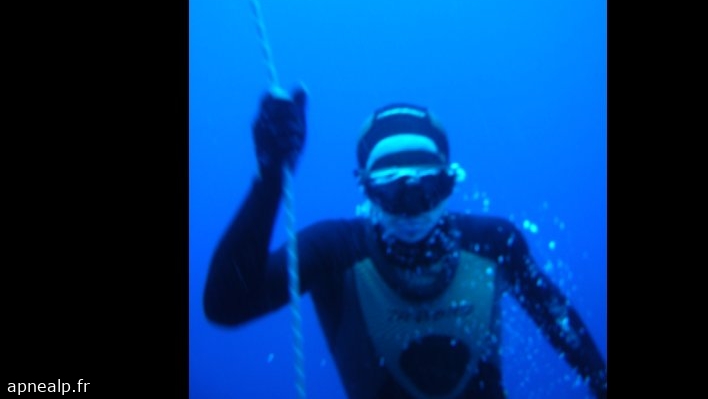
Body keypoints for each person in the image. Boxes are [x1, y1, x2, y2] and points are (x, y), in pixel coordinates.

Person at [204, 87, 607, 399]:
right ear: (365, 190)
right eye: (390, 190)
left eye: (428, 187)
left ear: (450, 184)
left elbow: (561, 324)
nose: (411, 209)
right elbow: (226, 306)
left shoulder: (493, 242)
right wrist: (271, 179)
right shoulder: (334, 252)